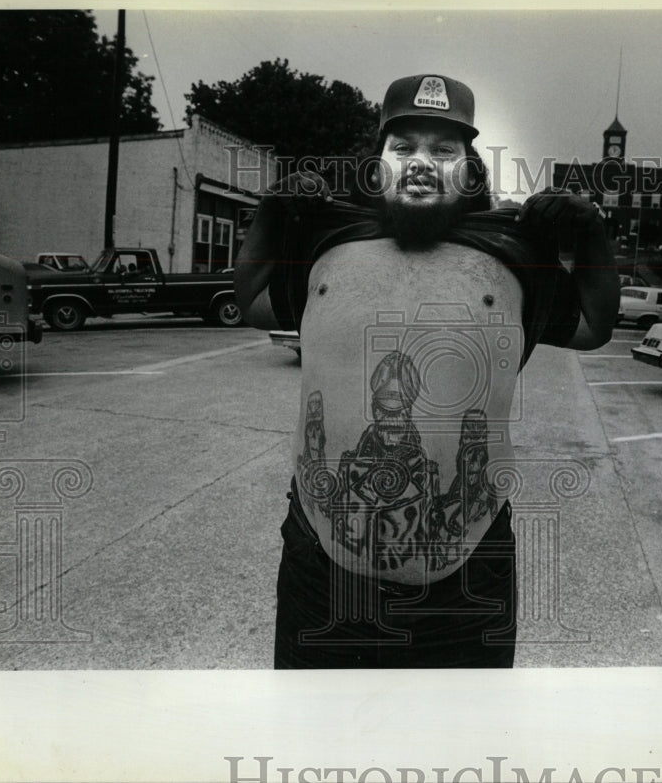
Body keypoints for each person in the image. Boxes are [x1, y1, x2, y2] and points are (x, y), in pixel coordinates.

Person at [236, 73, 618, 668]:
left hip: (468, 582)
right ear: (378, 162)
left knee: (459, 743)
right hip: (320, 572)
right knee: (314, 740)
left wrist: (592, 232)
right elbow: (249, 301)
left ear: (470, 169)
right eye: (403, 146)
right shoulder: (327, 241)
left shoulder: (514, 252)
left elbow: (595, 328)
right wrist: (270, 211)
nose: (422, 161)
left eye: (444, 150)